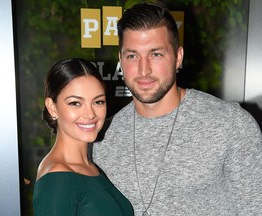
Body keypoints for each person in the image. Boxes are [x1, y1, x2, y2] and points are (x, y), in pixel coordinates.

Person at [92, 2, 262, 215]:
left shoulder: (231, 125)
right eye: (132, 56)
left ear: (178, 57)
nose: (143, 70)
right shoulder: (101, 139)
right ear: (120, 60)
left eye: (156, 54)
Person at [33, 58, 134, 215]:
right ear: (52, 108)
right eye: (75, 103)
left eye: (98, 102)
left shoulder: (90, 167)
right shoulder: (58, 177)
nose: (90, 114)